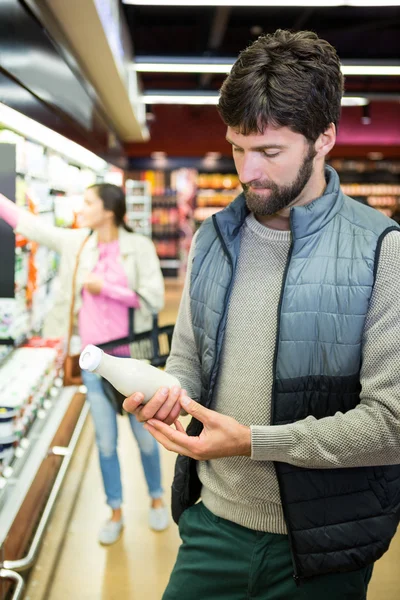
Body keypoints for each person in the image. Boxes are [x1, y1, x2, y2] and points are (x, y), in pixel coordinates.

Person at [123, 30, 400, 599]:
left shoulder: (382, 250)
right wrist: (164, 392)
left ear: (324, 138)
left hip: (323, 548)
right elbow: (188, 362)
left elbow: (391, 424)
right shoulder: (212, 238)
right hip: (211, 527)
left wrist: (255, 440)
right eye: (236, 148)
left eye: (269, 152)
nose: (248, 171)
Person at [0, 183, 170, 545]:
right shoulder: (77, 242)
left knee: (145, 437)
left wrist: (104, 287)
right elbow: (30, 225)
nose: (82, 206)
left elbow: (154, 298)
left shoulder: (137, 247)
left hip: (134, 363)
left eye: (88, 201)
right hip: (94, 364)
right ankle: (115, 510)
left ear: (109, 209)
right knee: (105, 443)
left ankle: (157, 497)